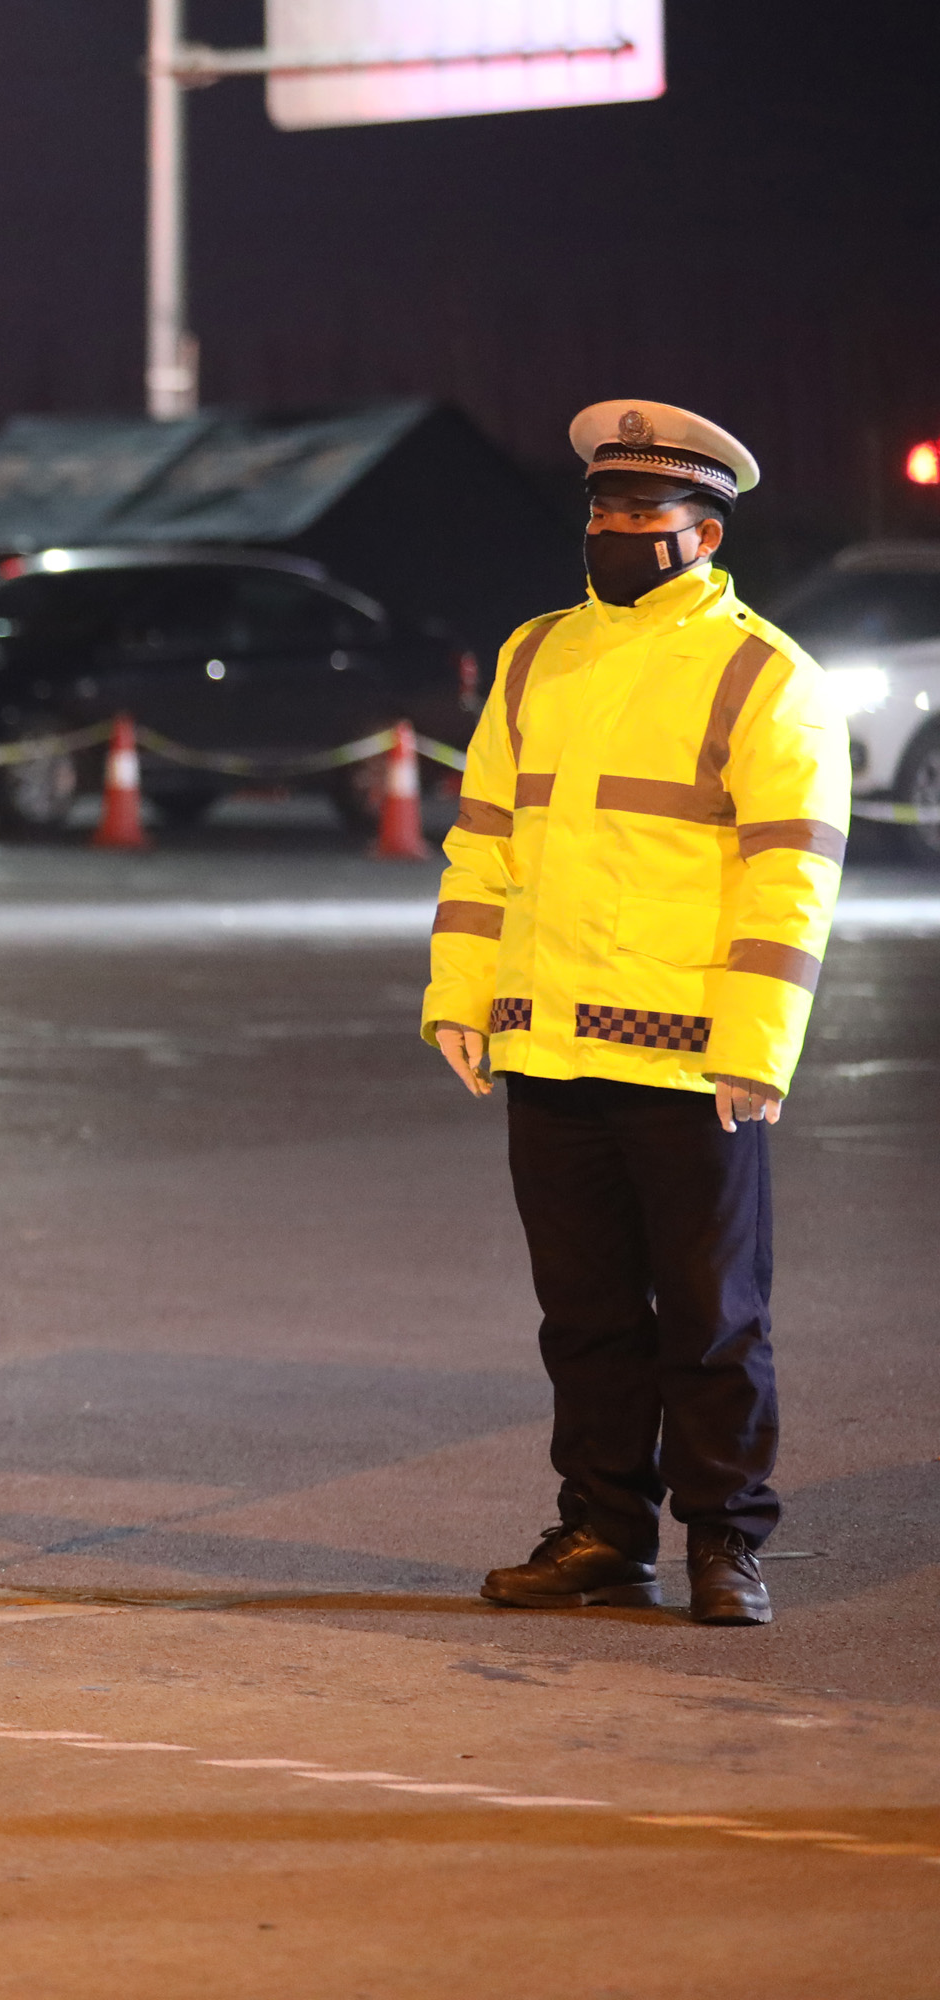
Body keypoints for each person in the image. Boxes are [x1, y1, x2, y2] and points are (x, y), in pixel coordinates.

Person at [424, 401, 848, 1628]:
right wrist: (461, 995)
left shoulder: (763, 674)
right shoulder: (535, 652)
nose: (613, 531)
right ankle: (605, 1528)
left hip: (689, 1062)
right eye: (603, 511)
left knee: (714, 1320)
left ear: (704, 534)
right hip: (547, 1043)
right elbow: (483, 840)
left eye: (642, 516)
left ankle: (725, 1537)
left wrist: (758, 1045)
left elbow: (790, 872)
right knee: (588, 1316)